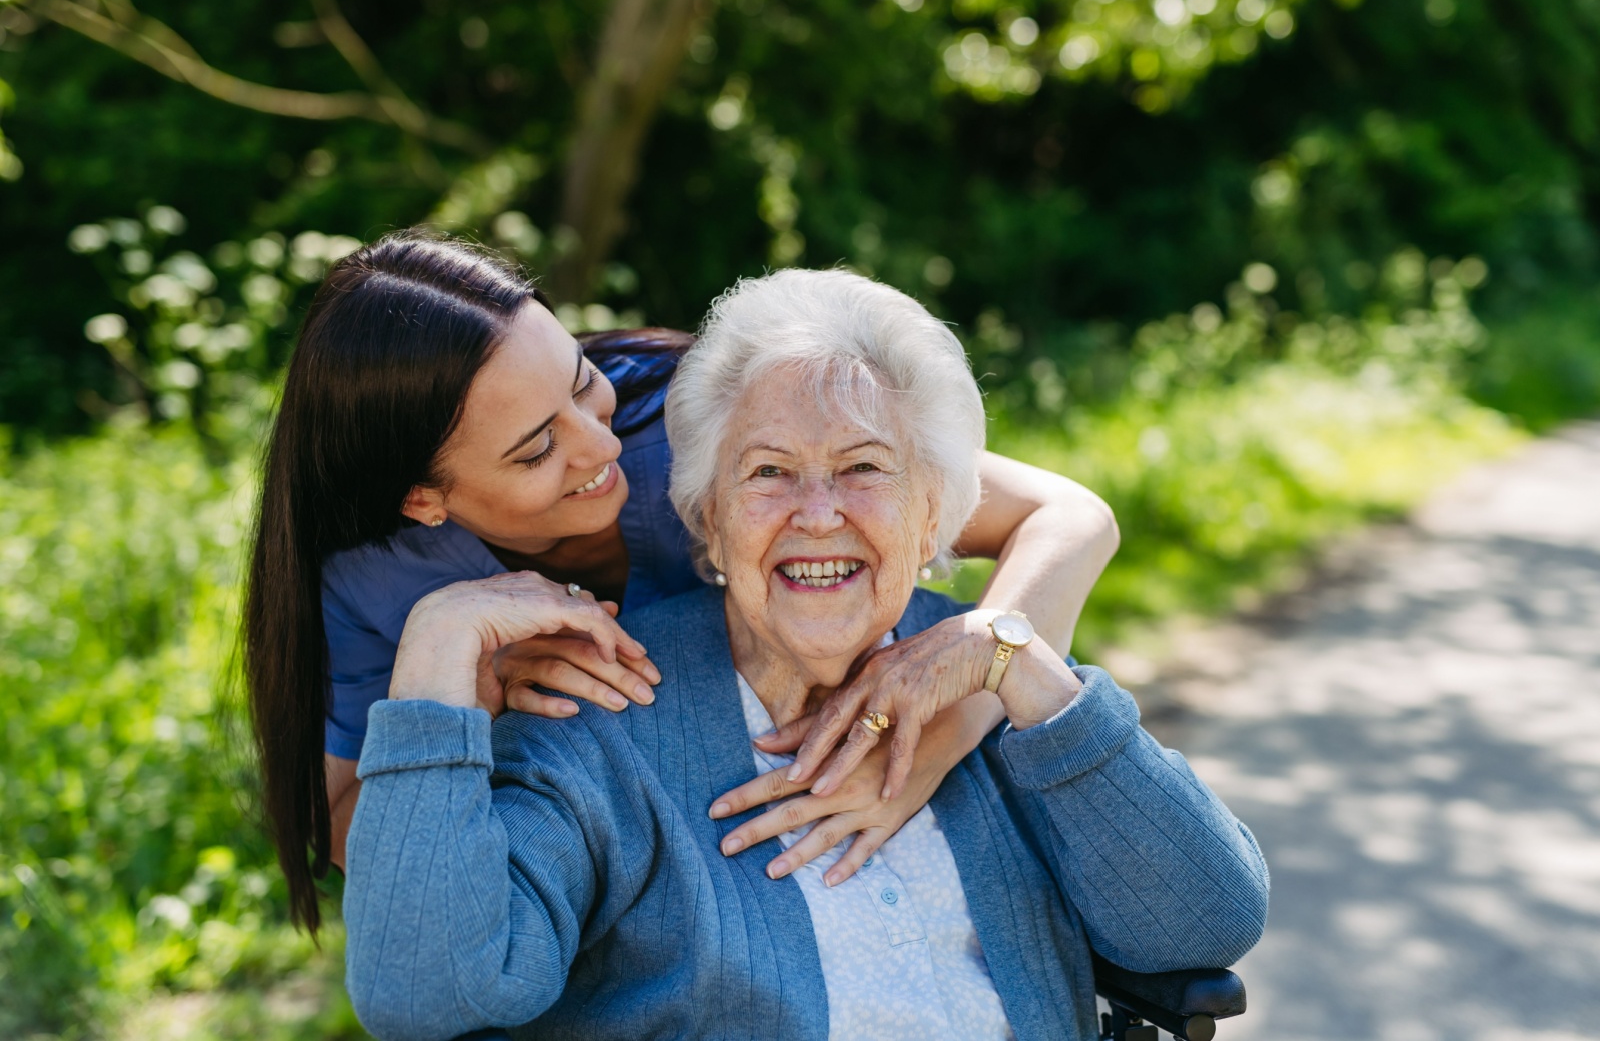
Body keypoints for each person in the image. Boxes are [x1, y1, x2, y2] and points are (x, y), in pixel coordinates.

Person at [342, 269, 1269, 1040]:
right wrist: (436, 646)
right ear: (703, 513)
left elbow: (1208, 919)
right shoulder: (599, 713)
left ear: (937, 512)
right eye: (769, 473)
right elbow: (427, 998)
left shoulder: (995, 680)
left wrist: (1013, 660)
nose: (818, 513)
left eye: (865, 468)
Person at [243, 233, 1122, 932]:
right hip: (614, 899)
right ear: (421, 500)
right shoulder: (375, 581)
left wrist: (937, 726)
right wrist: (469, 696)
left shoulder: (699, 434)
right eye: (538, 449)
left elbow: (1072, 518)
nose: (601, 446)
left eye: (583, 388)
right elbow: (348, 820)